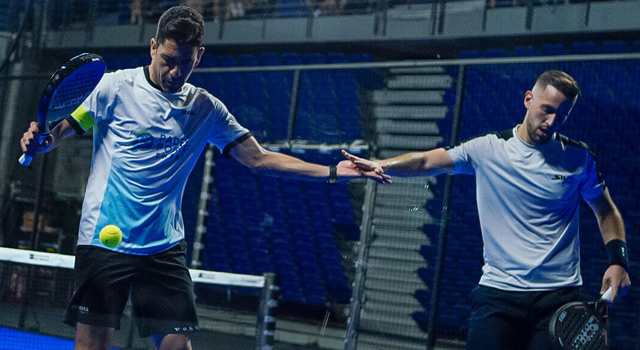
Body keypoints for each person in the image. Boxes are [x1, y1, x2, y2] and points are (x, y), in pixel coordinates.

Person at [20, 6, 389, 350]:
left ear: (199, 56)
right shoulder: (114, 89)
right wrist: (39, 142)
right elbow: (60, 132)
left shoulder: (206, 109)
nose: (176, 72)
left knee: (178, 347)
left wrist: (332, 171)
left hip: (162, 247)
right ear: (152, 47)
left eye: (185, 63)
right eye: (168, 60)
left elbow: (259, 159)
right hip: (103, 243)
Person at [343, 70, 631, 350]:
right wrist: (382, 164)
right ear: (528, 99)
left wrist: (619, 260)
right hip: (498, 295)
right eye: (546, 110)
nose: (552, 121)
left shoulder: (579, 158)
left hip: (559, 299)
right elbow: (425, 161)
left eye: (561, 116)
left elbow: (606, 212)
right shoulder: (488, 149)